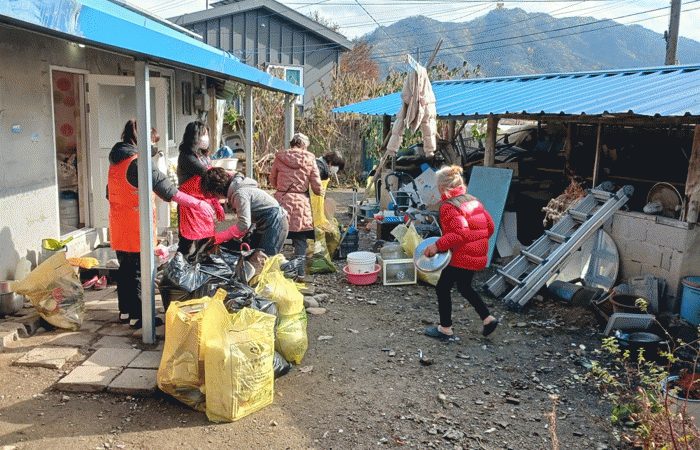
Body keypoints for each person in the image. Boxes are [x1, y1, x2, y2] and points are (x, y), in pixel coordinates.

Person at [108, 120, 215, 329]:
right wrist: (198, 204)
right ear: (142, 138)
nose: (153, 145)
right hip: (136, 224)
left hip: (119, 222)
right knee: (139, 271)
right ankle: (139, 316)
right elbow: (168, 190)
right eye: (152, 141)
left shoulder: (116, 160)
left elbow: (109, 192)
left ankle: (125, 312)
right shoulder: (138, 162)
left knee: (125, 269)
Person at [422, 165, 498, 340]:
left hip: (461, 256)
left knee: (443, 287)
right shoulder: (473, 200)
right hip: (476, 254)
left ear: (441, 187)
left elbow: (459, 233)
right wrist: (476, 244)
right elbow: (490, 226)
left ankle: (445, 329)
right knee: (464, 287)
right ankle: (488, 319)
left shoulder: (449, 206)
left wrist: (437, 246)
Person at [201, 168, 289, 257]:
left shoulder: (240, 194)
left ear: (217, 189)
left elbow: (244, 224)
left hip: (275, 223)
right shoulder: (238, 187)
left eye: (214, 194)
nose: (215, 197)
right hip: (270, 221)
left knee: (263, 259)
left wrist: (222, 236)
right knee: (255, 258)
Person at [269, 133, 322, 281]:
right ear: (304, 147)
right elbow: (317, 188)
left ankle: (275, 272)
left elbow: (272, 179)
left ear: (291, 145)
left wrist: (280, 188)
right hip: (301, 203)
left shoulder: (280, 158)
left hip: (282, 200)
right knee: (300, 239)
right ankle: (300, 273)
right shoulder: (310, 159)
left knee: (277, 236)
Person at [176, 121, 225, 258]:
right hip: (189, 205)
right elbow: (208, 174)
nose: (206, 138)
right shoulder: (186, 157)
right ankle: (181, 267)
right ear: (193, 136)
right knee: (186, 243)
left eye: (207, 135)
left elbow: (209, 183)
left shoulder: (205, 156)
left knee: (206, 242)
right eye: (203, 135)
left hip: (205, 205)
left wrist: (215, 202)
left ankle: (201, 267)